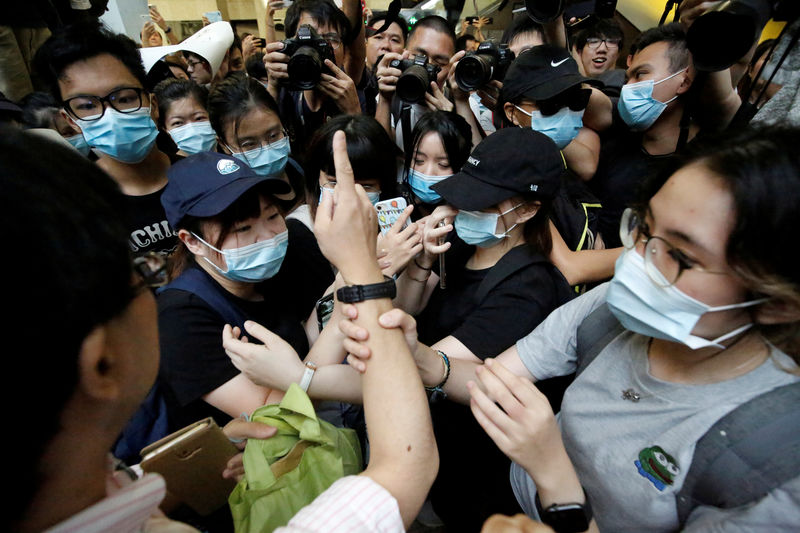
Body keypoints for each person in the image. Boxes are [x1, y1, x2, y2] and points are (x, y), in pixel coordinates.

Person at [350, 126, 800, 532]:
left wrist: (555, 478)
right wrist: (424, 358)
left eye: (681, 257)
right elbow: (497, 380)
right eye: (642, 229)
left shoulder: (772, 468)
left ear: (777, 303)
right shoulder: (605, 309)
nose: (635, 260)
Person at [3, 127, 275, 533]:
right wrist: (361, 284)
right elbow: (397, 475)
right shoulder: (183, 313)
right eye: (144, 273)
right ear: (102, 363)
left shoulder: (72, 486)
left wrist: (202, 461)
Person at [224, 130, 439, 532]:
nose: (350, 196)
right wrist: (362, 269)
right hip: (344, 417)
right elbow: (408, 464)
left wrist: (406, 266)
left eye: (367, 186)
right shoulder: (300, 242)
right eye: (333, 183)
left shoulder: (399, 232)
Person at [394, 128, 575, 530]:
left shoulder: (529, 289)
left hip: (480, 474)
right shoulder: (463, 245)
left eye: (482, 201)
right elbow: (407, 308)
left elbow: (418, 368)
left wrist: (304, 377)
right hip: (438, 450)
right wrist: (423, 258)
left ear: (527, 210)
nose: (463, 208)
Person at [157, 152, 331, 435]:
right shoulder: (179, 317)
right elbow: (278, 418)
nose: (267, 237)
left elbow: (306, 343)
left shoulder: (272, 270)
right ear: (192, 242)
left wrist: (339, 292)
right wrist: (341, 319)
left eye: (273, 215)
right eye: (243, 228)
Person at [34, 21, 181, 258]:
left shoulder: (202, 175)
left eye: (124, 99)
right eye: (87, 106)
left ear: (152, 104)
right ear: (70, 119)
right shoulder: (74, 211)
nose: (110, 115)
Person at [588, 23, 695, 248]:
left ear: (683, 80)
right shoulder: (615, 140)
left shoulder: (701, 161)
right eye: (628, 79)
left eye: (641, 74)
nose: (628, 88)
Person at [263, 0, 361, 152]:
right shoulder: (284, 89)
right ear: (290, 44)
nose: (316, 49)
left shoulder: (352, 90)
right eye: (309, 40)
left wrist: (354, 113)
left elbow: (367, 160)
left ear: (344, 49)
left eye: (330, 40)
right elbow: (265, 144)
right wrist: (273, 88)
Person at [498, 45, 601, 181]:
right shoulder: (497, 155)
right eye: (551, 105)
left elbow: (586, 169)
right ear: (512, 112)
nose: (566, 113)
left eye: (576, 99)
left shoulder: (586, 137)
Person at [208, 73, 305, 213]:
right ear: (224, 144)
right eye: (249, 144)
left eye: (273, 135)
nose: (266, 149)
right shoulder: (232, 206)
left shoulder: (305, 171)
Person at [400, 110, 473, 218]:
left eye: (444, 164)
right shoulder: (395, 206)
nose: (428, 174)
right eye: (418, 160)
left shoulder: (470, 216)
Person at [153, 78, 216, 156]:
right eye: (178, 123)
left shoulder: (233, 154)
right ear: (166, 129)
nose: (192, 129)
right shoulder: (171, 167)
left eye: (199, 118)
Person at [572, 18, 625, 92]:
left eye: (611, 42)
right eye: (593, 41)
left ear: (618, 53)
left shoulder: (623, 85)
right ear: (579, 52)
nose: (602, 49)